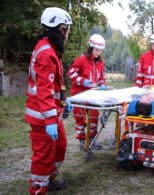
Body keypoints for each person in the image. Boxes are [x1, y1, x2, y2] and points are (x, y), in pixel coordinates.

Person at [25, 7, 72, 194]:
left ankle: (49, 179)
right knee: (43, 158)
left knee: (60, 147)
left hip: (51, 113)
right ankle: (38, 188)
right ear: (60, 29)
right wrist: (51, 120)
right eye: (67, 29)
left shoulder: (52, 50)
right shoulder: (46, 54)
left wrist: (63, 99)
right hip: (42, 117)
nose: (68, 34)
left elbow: (54, 84)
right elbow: (43, 91)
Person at [68, 34, 107, 150]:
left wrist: (102, 85)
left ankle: (92, 140)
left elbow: (102, 77)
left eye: (100, 50)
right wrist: (83, 81)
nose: (98, 52)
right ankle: (81, 140)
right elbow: (71, 73)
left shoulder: (100, 62)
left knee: (94, 118)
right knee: (80, 119)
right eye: (96, 50)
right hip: (79, 95)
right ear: (91, 48)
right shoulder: (81, 59)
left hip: (93, 96)